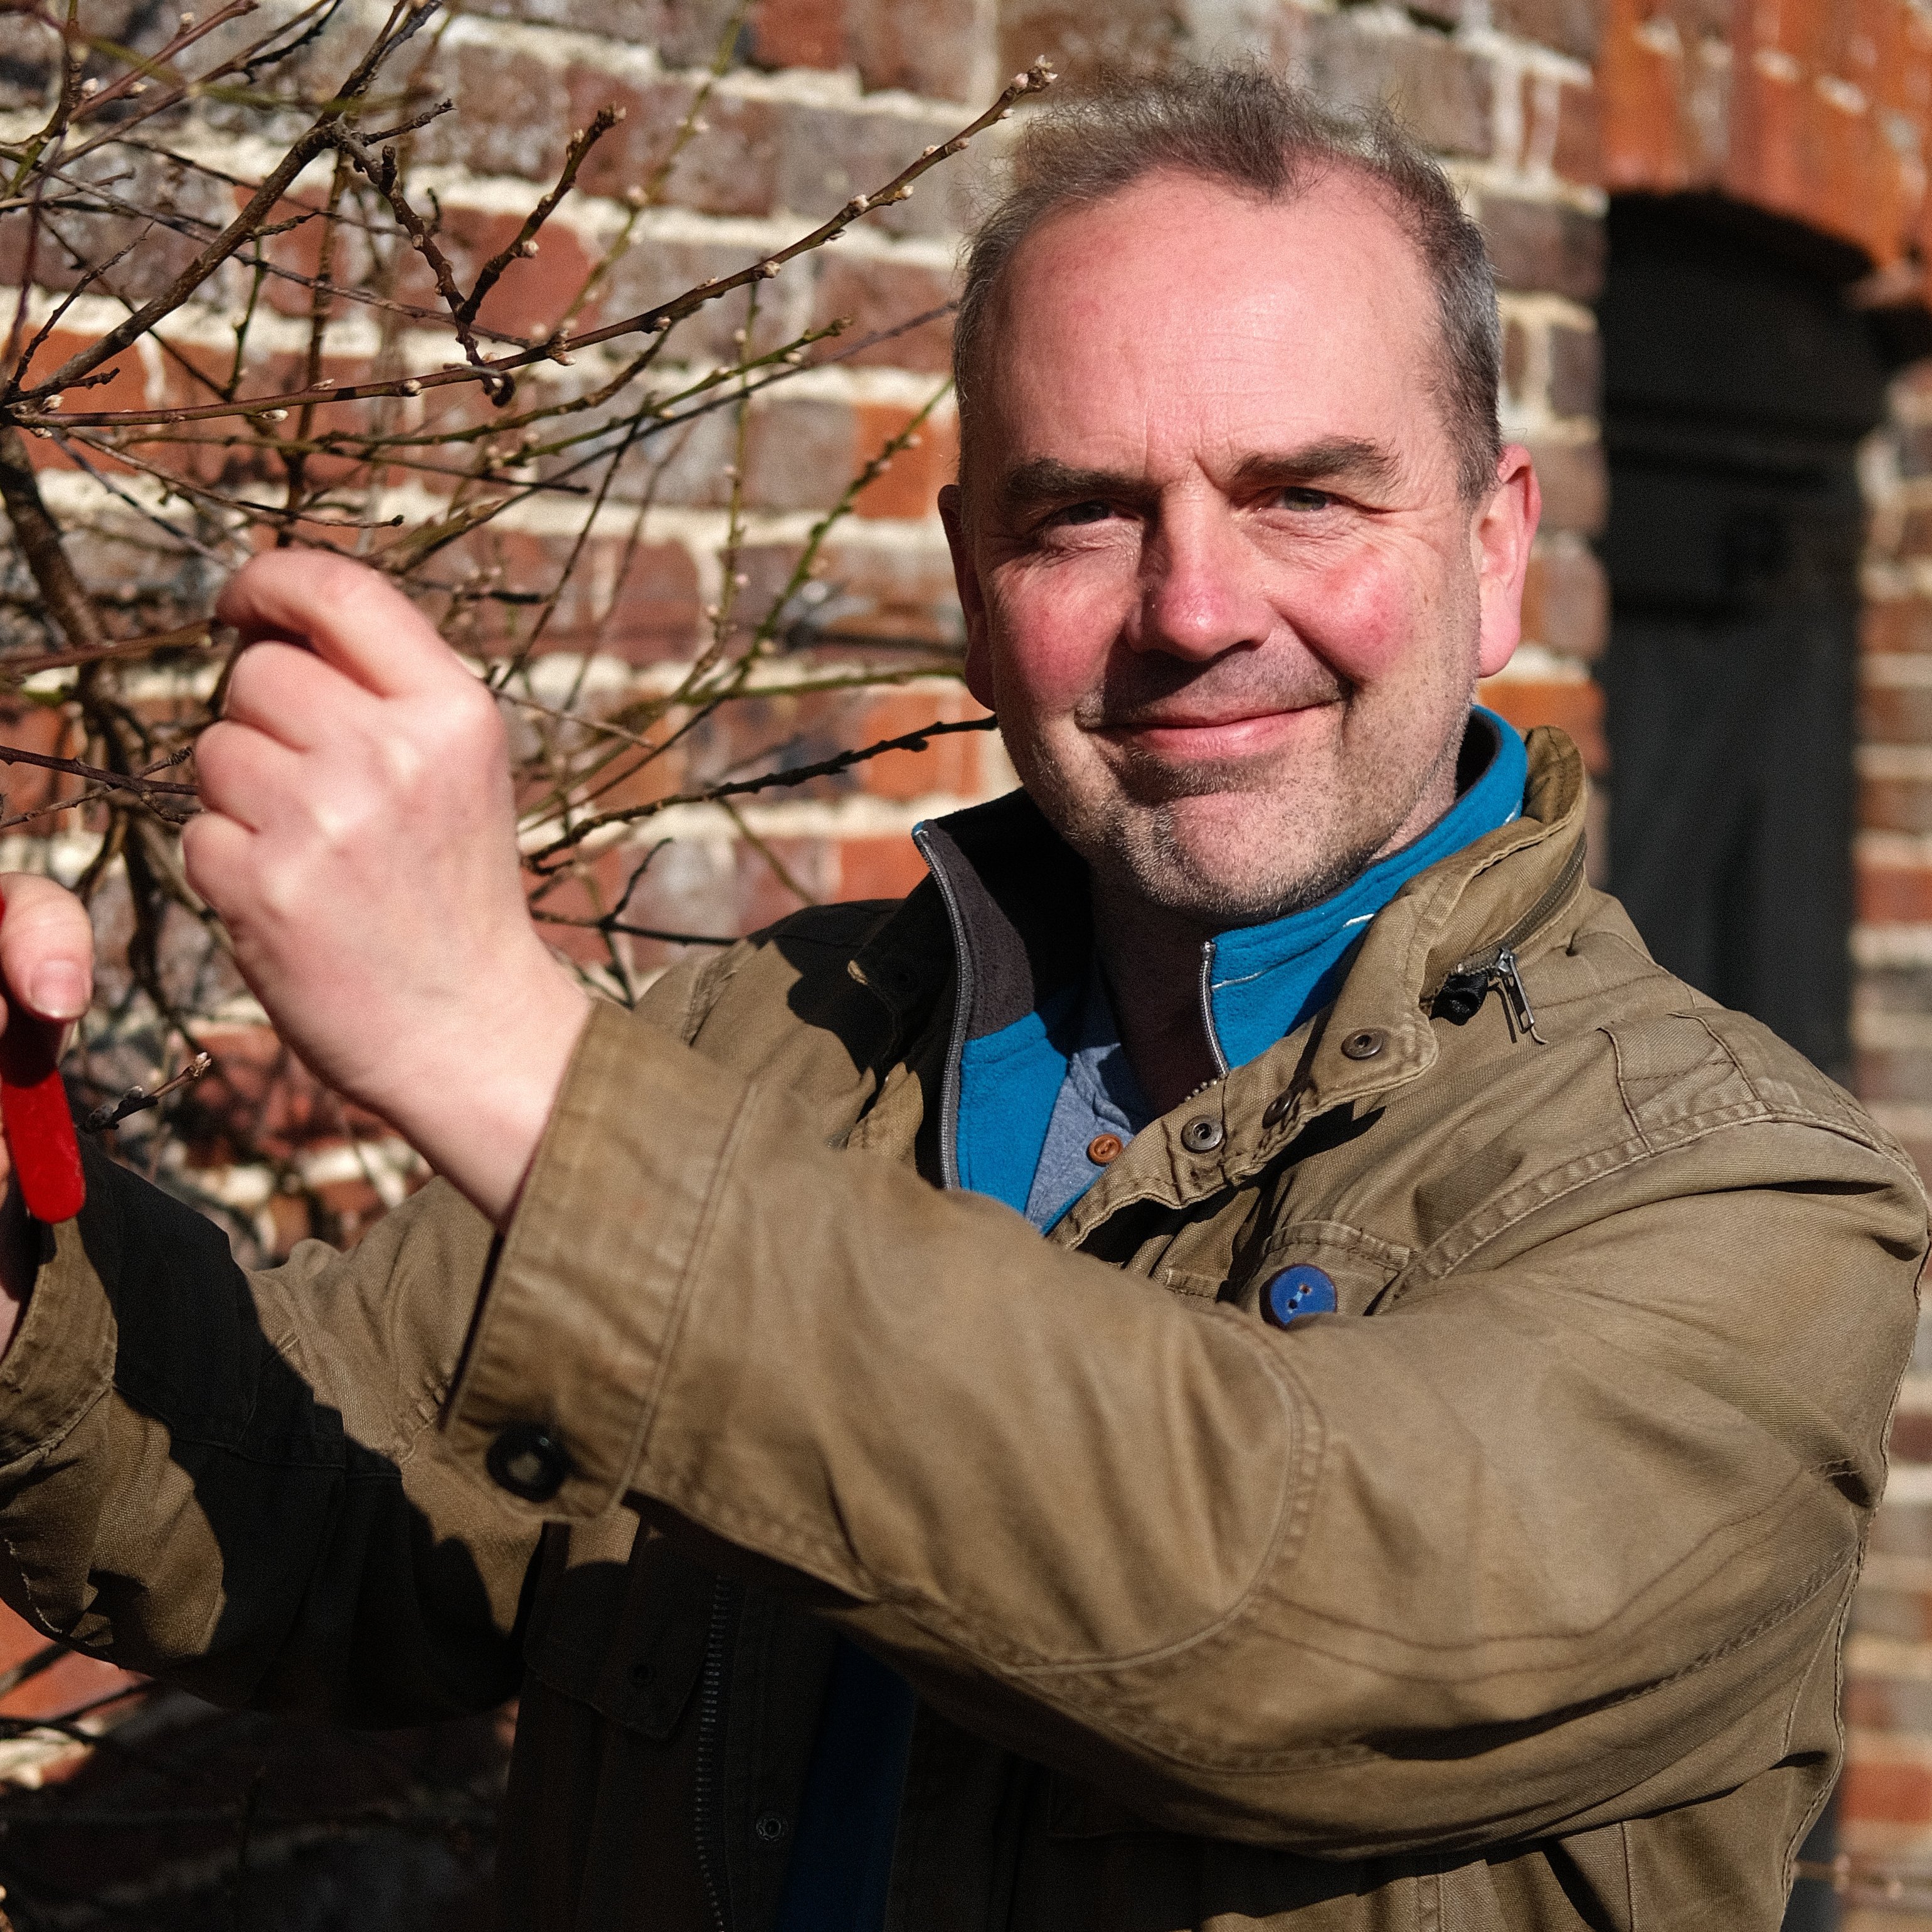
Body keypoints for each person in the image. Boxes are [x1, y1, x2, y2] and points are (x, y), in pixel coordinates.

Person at [0, 65, 1918, 1932]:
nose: (1190, 607)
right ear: (973, 587)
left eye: (1307, 497)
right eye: (1080, 514)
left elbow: (1286, 1603)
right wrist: (20, 1243)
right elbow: (322, 1522)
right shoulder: (769, 1049)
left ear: (1494, 551)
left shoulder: (1740, 1196)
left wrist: (491, 1044)